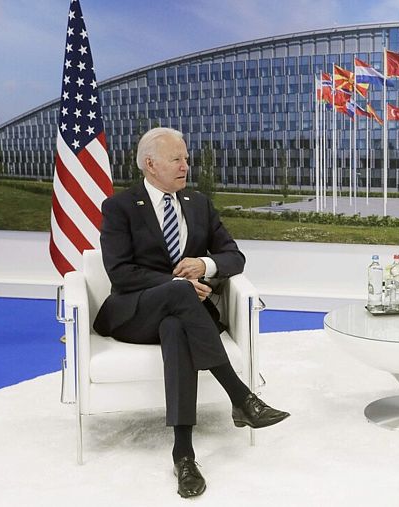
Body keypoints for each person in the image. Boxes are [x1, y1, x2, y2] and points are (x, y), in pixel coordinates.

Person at [93, 127, 289, 498]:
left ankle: (183, 454)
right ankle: (241, 397)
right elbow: (120, 272)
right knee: (178, 299)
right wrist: (177, 283)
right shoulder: (119, 207)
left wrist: (203, 264)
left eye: (186, 158)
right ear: (150, 164)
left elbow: (235, 257)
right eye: (177, 159)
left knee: (175, 328)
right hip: (135, 314)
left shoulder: (198, 204)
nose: (186, 165)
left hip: (181, 317)